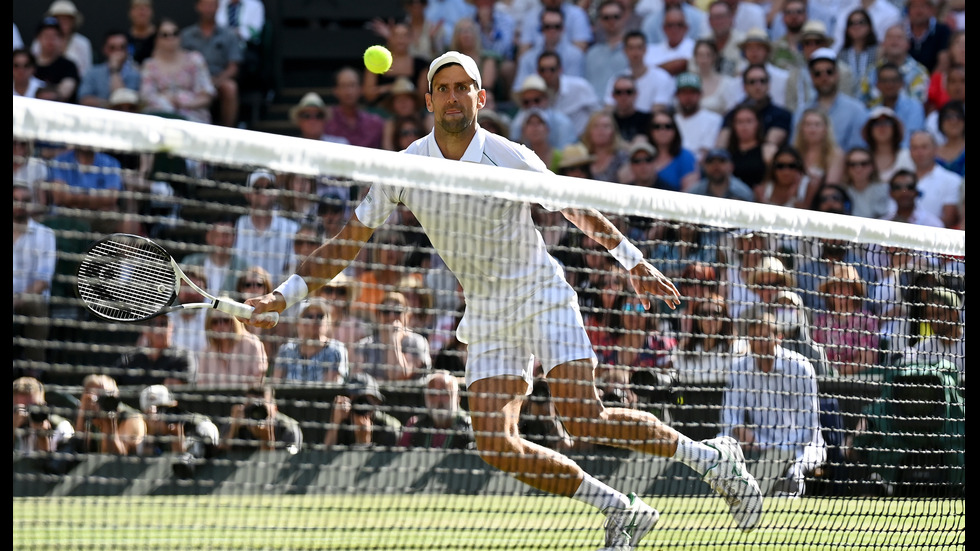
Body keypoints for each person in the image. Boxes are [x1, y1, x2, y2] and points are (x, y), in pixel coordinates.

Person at [244, 51, 764, 546]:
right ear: (429, 102)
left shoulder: (510, 156)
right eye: (442, 89)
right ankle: (620, 509)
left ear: (480, 97)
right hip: (488, 311)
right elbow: (347, 242)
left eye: (462, 89)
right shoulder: (404, 167)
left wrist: (633, 261)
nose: (452, 98)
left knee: (583, 416)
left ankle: (711, 459)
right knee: (496, 444)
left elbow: (574, 208)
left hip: (540, 293)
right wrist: (284, 298)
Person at [721, 308, 826, 497]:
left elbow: (807, 430)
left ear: (778, 337)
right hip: (758, 445)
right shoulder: (739, 369)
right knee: (722, 445)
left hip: (801, 448)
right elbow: (730, 417)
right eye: (755, 338)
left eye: (765, 337)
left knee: (792, 473)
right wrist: (739, 430)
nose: (760, 344)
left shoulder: (801, 367)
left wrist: (770, 448)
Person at [140, 17, 217, 124]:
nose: (171, 38)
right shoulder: (150, 65)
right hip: (160, 116)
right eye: (165, 35)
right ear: (157, 39)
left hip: (192, 115)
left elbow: (206, 96)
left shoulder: (194, 59)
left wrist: (185, 105)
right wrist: (166, 102)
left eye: (175, 33)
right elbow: (146, 96)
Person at [13, 182, 57, 369]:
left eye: (25, 200)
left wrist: (17, 300)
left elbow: (43, 281)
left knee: (37, 305)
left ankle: (34, 373)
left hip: (29, 298)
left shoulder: (45, 234)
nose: (20, 204)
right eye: (15, 200)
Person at [180, 0, 243, 127]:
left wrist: (214, 82)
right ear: (198, 7)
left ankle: (228, 131)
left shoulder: (229, 35)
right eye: (205, 5)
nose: (209, 9)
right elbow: (179, 61)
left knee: (230, 87)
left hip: (218, 78)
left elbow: (233, 67)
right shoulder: (186, 35)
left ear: (218, 7)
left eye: (212, 5)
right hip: (191, 80)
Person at [811, 263, 880, 378]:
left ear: (854, 291)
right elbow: (815, 358)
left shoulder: (866, 320)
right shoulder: (820, 323)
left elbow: (867, 360)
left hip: (860, 384)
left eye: (845, 287)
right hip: (826, 384)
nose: (840, 292)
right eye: (835, 287)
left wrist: (837, 372)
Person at [794, 47, 868, 153]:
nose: (824, 78)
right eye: (817, 73)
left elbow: (859, 151)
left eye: (829, 72)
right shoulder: (801, 113)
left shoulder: (856, 110)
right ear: (811, 77)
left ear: (837, 74)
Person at [233, 170, 300, 284]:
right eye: (258, 187)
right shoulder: (238, 225)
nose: (264, 191)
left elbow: (293, 268)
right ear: (247, 194)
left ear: (275, 193)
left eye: (269, 187)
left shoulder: (291, 228)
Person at [138, 384, 219, 477]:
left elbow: (185, 465)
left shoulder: (194, 423)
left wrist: (177, 433)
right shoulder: (143, 432)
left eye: (162, 409)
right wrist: (151, 433)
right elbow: (142, 462)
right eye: (149, 412)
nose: (156, 416)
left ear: (173, 406)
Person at [670, 292, 747, 385]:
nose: (710, 318)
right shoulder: (683, 351)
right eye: (704, 313)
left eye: (716, 313)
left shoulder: (738, 348)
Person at [355, 291, 432, 383]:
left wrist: (394, 339)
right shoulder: (364, 345)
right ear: (378, 315)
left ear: (407, 316)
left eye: (397, 311)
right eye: (386, 311)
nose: (391, 316)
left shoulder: (417, 342)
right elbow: (357, 380)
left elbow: (398, 375)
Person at [512, 7, 586, 102]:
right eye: (547, 26)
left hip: (568, 105)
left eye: (556, 26)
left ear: (563, 28)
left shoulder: (576, 55)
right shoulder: (527, 58)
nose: (552, 30)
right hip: (536, 106)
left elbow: (575, 89)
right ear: (541, 29)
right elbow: (518, 89)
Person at [716, 63, 793, 152]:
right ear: (744, 87)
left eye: (762, 81)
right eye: (752, 82)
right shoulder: (732, 115)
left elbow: (771, 143)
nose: (758, 86)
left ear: (769, 85)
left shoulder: (782, 115)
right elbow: (721, 147)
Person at [272, 297, 349, 383]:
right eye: (309, 316)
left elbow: (332, 387)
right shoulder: (286, 350)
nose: (315, 320)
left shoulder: (336, 350)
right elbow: (276, 385)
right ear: (298, 323)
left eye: (320, 316)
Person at [398, 370, 475, 450]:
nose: (438, 400)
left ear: (458, 396)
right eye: (433, 394)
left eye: (445, 393)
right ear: (425, 397)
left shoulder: (472, 427)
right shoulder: (414, 426)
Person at [857, 24, 930, 108]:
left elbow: (917, 106)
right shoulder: (871, 71)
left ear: (908, 44)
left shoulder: (920, 73)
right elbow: (860, 102)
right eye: (890, 37)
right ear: (883, 44)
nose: (894, 41)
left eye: (899, 37)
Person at [71, 374, 147, 455]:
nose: (104, 401)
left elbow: (121, 460)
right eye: (99, 397)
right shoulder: (89, 420)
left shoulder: (132, 419)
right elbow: (78, 447)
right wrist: (82, 412)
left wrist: (109, 424)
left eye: (108, 395)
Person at [13, 377, 76, 474]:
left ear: (44, 405)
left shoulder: (60, 427)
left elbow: (59, 467)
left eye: (34, 407)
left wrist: (43, 436)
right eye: (21, 408)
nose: (28, 413)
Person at [323, 372, 402, 448]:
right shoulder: (343, 424)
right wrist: (335, 423)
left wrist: (365, 440)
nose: (362, 406)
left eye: (366, 401)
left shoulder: (389, 428)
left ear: (376, 403)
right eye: (358, 400)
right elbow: (325, 457)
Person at [604, 31, 675, 114]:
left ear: (645, 49)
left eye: (639, 48)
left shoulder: (662, 77)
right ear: (625, 51)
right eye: (631, 48)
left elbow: (659, 109)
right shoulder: (616, 80)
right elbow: (609, 108)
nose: (635, 53)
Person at [114, 315, 196, 387]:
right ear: (144, 329)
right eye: (152, 323)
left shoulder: (183, 356)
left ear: (171, 327)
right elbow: (111, 379)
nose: (158, 328)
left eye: (163, 323)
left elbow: (178, 386)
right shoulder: (131, 358)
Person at [362, 21, 430, 107]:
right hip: (381, 111)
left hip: (412, 112)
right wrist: (392, 87)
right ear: (389, 37)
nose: (400, 39)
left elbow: (423, 98)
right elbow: (368, 95)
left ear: (411, 38)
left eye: (405, 35)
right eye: (396, 35)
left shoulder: (421, 64)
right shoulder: (375, 62)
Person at [535, 50, 599, 141]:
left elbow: (597, 114)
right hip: (552, 145)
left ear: (560, 69)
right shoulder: (534, 95)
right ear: (538, 72)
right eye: (543, 70)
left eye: (552, 69)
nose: (547, 74)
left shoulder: (580, 87)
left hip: (582, 141)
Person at [220, 385, 302, 454]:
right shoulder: (235, 423)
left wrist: (267, 438)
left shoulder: (288, 428)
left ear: (274, 408)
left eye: (262, 407)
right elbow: (218, 459)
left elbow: (285, 466)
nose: (256, 412)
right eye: (251, 406)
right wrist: (233, 430)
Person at [197, 307, 268, 386]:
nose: (221, 325)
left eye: (225, 320)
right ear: (209, 324)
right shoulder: (206, 353)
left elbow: (258, 382)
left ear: (235, 321)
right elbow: (201, 386)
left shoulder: (252, 345)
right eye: (215, 321)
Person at [771, 290, 834, 378]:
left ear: (799, 311)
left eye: (790, 307)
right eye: (780, 307)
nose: (785, 310)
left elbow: (824, 384)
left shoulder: (815, 351)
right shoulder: (769, 350)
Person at [906, 130, 962, 229]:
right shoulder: (900, 180)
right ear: (909, 151)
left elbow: (949, 220)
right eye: (914, 147)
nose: (919, 152)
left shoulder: (952, 180)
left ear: (936, 150)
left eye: (924, 147)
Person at [322, 67, 386, 149]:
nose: (348, 91)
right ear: (335, 90)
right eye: (343, 86)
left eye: (352, 85)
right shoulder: (324, 119)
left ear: (361, 89)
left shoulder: (375, 124)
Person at [78, 30, 142, 109]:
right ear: (105, 49)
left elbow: (122, 101)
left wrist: (115, 70)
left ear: (127, 50)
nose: (118, 52)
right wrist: (109, 104)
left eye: (122, 47)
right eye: (112, 48)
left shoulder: (135, 74)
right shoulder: (92, 72)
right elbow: (84, 100)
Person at [31, 0, 92, 79]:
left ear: (73, 22)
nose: (63, 22)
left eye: (67, 19)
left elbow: (86, 72)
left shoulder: (83, 43)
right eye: (59, 19)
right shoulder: (38, 42)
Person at [868, 62, 925, 145]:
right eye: (884, 81)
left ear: (902, 83)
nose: (889, 84)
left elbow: (912, 140)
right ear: (877, 85)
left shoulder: (914, 107)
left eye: (894, 80)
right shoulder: (872, 111)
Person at [646, 105, 700, 192]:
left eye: (668, 126)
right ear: (650, 131)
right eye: (657, 126)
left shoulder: (686, 156)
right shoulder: (643, 154)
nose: (662, 130)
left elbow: (691, 192)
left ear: (675, 130)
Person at [673, 72, 723, 165]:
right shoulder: (671, 121)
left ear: (700, 94)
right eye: (684, 92)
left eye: (692, 92)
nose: (688, 97)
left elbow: (706, 152)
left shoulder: (714, 119)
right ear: (677, 95)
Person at [585, 0, 631, 100]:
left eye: (616, 16)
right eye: (606, 18)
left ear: (624, 18)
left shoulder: (632, 51)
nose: (611, 21)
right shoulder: (591, 54)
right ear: (600, 21)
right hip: (596, 109)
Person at [733, 28, 789, 109]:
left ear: (767, 51)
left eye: (758, 48)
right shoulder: (737, 76)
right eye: (750, 48)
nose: (754, 52)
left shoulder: (783, 77)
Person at [721, 103, 772, 190]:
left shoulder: (768, 150)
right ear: (733, 125)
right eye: (739, 122)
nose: (744, 126)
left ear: (757, 124)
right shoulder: (726, 152)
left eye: (749, 121)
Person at [792, 108, 845, 190]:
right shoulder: (793, 152)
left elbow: (831, 187)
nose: (812, 129)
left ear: (825, 129)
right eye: (808, 124)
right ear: (801, 129)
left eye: (817, 125)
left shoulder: (835, 154)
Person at [32, 16, 80, 103]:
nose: (50, 40)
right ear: (38, 38)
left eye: (54, 36)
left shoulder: (68, 66)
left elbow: (64, 93)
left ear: (61, 39)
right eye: (46, 35)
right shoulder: (27, 63)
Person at [836, 7, 879, 98]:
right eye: (852, 23)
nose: (856, 26)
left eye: (861, 22)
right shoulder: (841, 53)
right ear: (847, 29)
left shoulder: (878, 51)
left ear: (869, 26)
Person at [644, 4, 696, 77]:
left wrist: (651, 69)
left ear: (686, 28)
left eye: (679, 25)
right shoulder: (651, 51)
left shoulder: (695, 48)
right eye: (670, 25)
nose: (674, 29)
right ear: (663, 28)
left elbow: (682, 64)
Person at [878, 169, 943, 227]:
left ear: (916, 192)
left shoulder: (932, 225)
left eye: (910, 187)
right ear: (891, 193)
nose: (904, 191)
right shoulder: (883, 225)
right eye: (897, 187)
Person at [578, 110, 629, 184]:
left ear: (613, 131)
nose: (601, 130)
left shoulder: (623, 158)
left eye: (606, 126)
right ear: (589, 131)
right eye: (596, 126)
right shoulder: (581, 159)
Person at [840, 146, 890, 219]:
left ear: (872, 166)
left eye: (864, 164)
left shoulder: (885, 189)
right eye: (852, 164)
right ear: (846, 168)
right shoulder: (841, 192)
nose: (858, 169)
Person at [687, 147, 755, 201]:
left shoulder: (742, 193)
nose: (716, 166)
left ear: (731, 166)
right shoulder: (695, 193)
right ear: (704, 167)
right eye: (711, 162)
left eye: (721, 161)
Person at [933, 100, 965, 177]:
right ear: (941, 122)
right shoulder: (933, 153)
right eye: (948, 117)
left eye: (958, 117)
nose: (954, 121)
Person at [126, 0, 157, 66]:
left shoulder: (161, 37)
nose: (142, 13)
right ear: (131, 12)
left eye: (145, 8)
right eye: (137, 8)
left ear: (151, 12)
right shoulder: (124, 39)